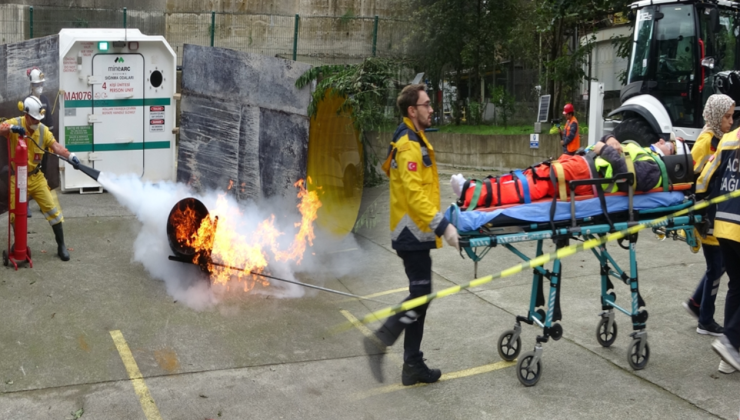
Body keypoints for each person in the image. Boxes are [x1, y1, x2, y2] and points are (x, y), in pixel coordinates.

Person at [363, 84, 459, 386]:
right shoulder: (407, 144)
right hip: (411, 232)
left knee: (422, 295)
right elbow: (414, 192)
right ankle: (381, 342)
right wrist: (443, 225)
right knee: (420, 296)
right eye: (426, 104)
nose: (432, 109)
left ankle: (412, 365)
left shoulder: (415, 138)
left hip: (416, 231)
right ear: (412, 110)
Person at [453, 135, 674, 209]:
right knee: (534, 173)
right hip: (583, 164)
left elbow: (631, 180)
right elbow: (610, 140)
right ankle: (476, 187)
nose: (663, 140)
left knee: (538, 180)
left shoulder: (655, 167)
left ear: (671, 156)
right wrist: (611, 140)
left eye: (670, 144)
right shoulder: (645, 151)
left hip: (588, 175)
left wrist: (605, 149)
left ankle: (472, 192)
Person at [0, 96, 81, 261]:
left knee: (52, 210)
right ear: (27, 115)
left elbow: (55, 146)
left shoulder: (43, 130)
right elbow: (1, 127)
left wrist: (70, 156)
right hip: (18, 178)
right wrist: (13, 129)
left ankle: (61, 245)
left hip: (36, 177)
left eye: (39, 119)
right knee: (15, 213)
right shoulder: (16, 122)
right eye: (34, 118)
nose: (37, 121)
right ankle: (18, 244)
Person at [683, 94, 733, 343]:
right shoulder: (705, 143)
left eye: (732, 116)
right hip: (707, 216)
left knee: (718, 266)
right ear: (714, 116)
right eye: (726, 116)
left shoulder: (721, 139)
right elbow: (696, 180)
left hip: (717, 215)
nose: (730, 121)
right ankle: (706, 320)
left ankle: (695, 303)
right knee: (717, 268)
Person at [696, 124, 740, 374]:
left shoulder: (730, 138)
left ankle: (729, 359)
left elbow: (705, 176)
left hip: (723, 225)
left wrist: (701, 204)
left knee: (736, 285)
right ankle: (731, 342)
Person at [26, 66, 54, 218]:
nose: (40, 88)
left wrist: (50, 143)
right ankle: (26, 204)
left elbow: (50, 122)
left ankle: (43, 204)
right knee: (28, 174)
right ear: (31, 86)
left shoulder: (45, 101)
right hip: (31, 145)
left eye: (41, 84)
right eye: (37, 85)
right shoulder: (28, 101)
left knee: (43, 173)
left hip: (44, 144)